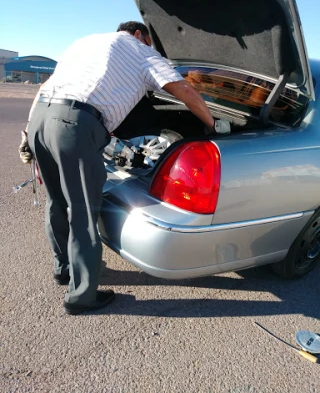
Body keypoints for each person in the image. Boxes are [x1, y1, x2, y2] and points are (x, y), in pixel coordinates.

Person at [18, 21, 216, 315]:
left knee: (56, 202)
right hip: (75, 125)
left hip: (42, 120)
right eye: (149, 42)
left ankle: (63, 269)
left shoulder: (84, 42)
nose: (151, 48)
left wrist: (26, 134)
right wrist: (213, 125)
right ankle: (82, 297)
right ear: (139, 35)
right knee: (83, 211)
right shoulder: (140, 49)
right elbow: (184, 90)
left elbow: (45, 88)